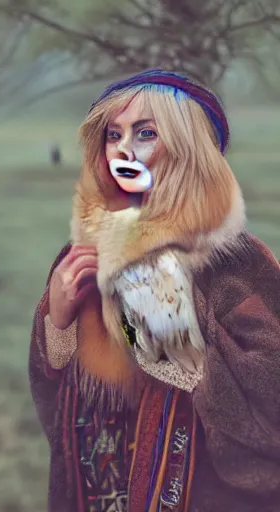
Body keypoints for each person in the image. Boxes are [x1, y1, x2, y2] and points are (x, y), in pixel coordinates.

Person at [29, 69, 280, 512]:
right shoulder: (85, 248)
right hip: (97, 486)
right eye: (112, 134)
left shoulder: (236, 260)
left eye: (146, 132)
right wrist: (57, 323)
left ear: (187, 150)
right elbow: (57, 390)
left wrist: (175, 342)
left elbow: (269, 397)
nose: (123, 149)